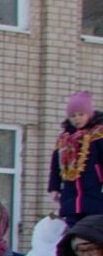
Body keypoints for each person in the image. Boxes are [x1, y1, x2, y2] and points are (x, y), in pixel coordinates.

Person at [48, 91, 103, 227]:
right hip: (70, 195)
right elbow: (55, 165)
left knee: (93, 230)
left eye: (81, 114)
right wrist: (54, 187)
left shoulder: (98, 135)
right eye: (73, 116)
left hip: (94, 193)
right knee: (73, 230)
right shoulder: (64, 138)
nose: (77, 119)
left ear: (89, 114)